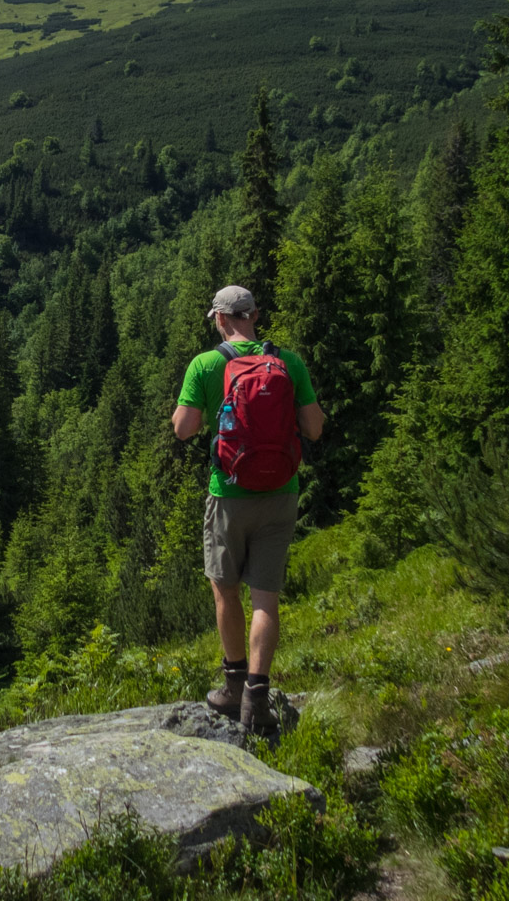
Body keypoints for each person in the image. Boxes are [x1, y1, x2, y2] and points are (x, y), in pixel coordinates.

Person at [171, 285, 324, 737]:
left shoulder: (206, 364)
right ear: (255, 315)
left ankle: (233, 685)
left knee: (226, 590)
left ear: (220, 319)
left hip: (229, 493)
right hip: (281, 493)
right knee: (266, 598)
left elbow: (183, 429)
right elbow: (314, 428)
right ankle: (258, 699)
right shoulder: (289, 362)